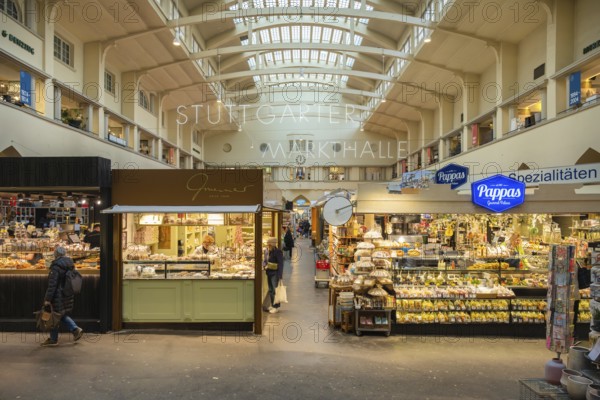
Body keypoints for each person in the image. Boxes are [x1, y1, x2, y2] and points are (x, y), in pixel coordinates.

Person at [40, 246, 83, 346]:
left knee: (54, 315)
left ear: (56, 254)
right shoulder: (70, 264)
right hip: (67, 293)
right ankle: (75, 330)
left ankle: (55, 338)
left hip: (57, 295)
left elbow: (52, 285)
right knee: (60, 314)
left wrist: (47, 299)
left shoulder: (55, 266)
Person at [264, 237, 284, 314]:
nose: (268, 245)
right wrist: (264, 265)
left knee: (275, 291)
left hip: (275, 273)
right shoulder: (267, 251)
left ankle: (276, 307)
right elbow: (265, 260)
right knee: (271, 290)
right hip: (269, 272)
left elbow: (280, 264)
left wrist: (280, 275)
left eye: (269, 244)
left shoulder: (278, 252)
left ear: (272, 244)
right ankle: (272, 305)